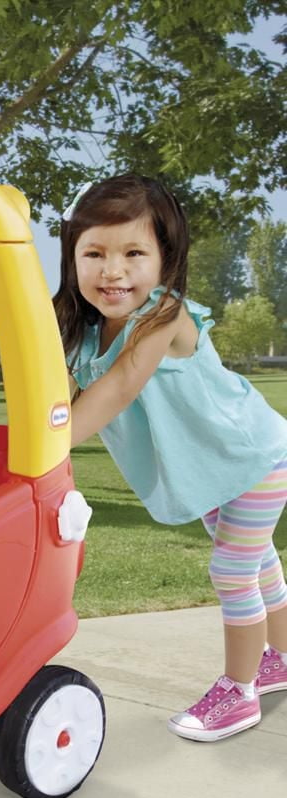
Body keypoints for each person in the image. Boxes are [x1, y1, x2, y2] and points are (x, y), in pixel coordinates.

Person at [56, 175, 287, 744]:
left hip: (252, 456)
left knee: (232, 570)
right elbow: (58, 392)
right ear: (73, 258)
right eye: (96, 253)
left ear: (165, 261)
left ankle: (239, 692)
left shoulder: (164, 313)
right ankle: (278, 658)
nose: (114, 271)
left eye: (134, 253)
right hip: (212, 470)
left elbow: (118, 389)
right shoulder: (80, 328)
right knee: (257, 566)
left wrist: (47, 448)